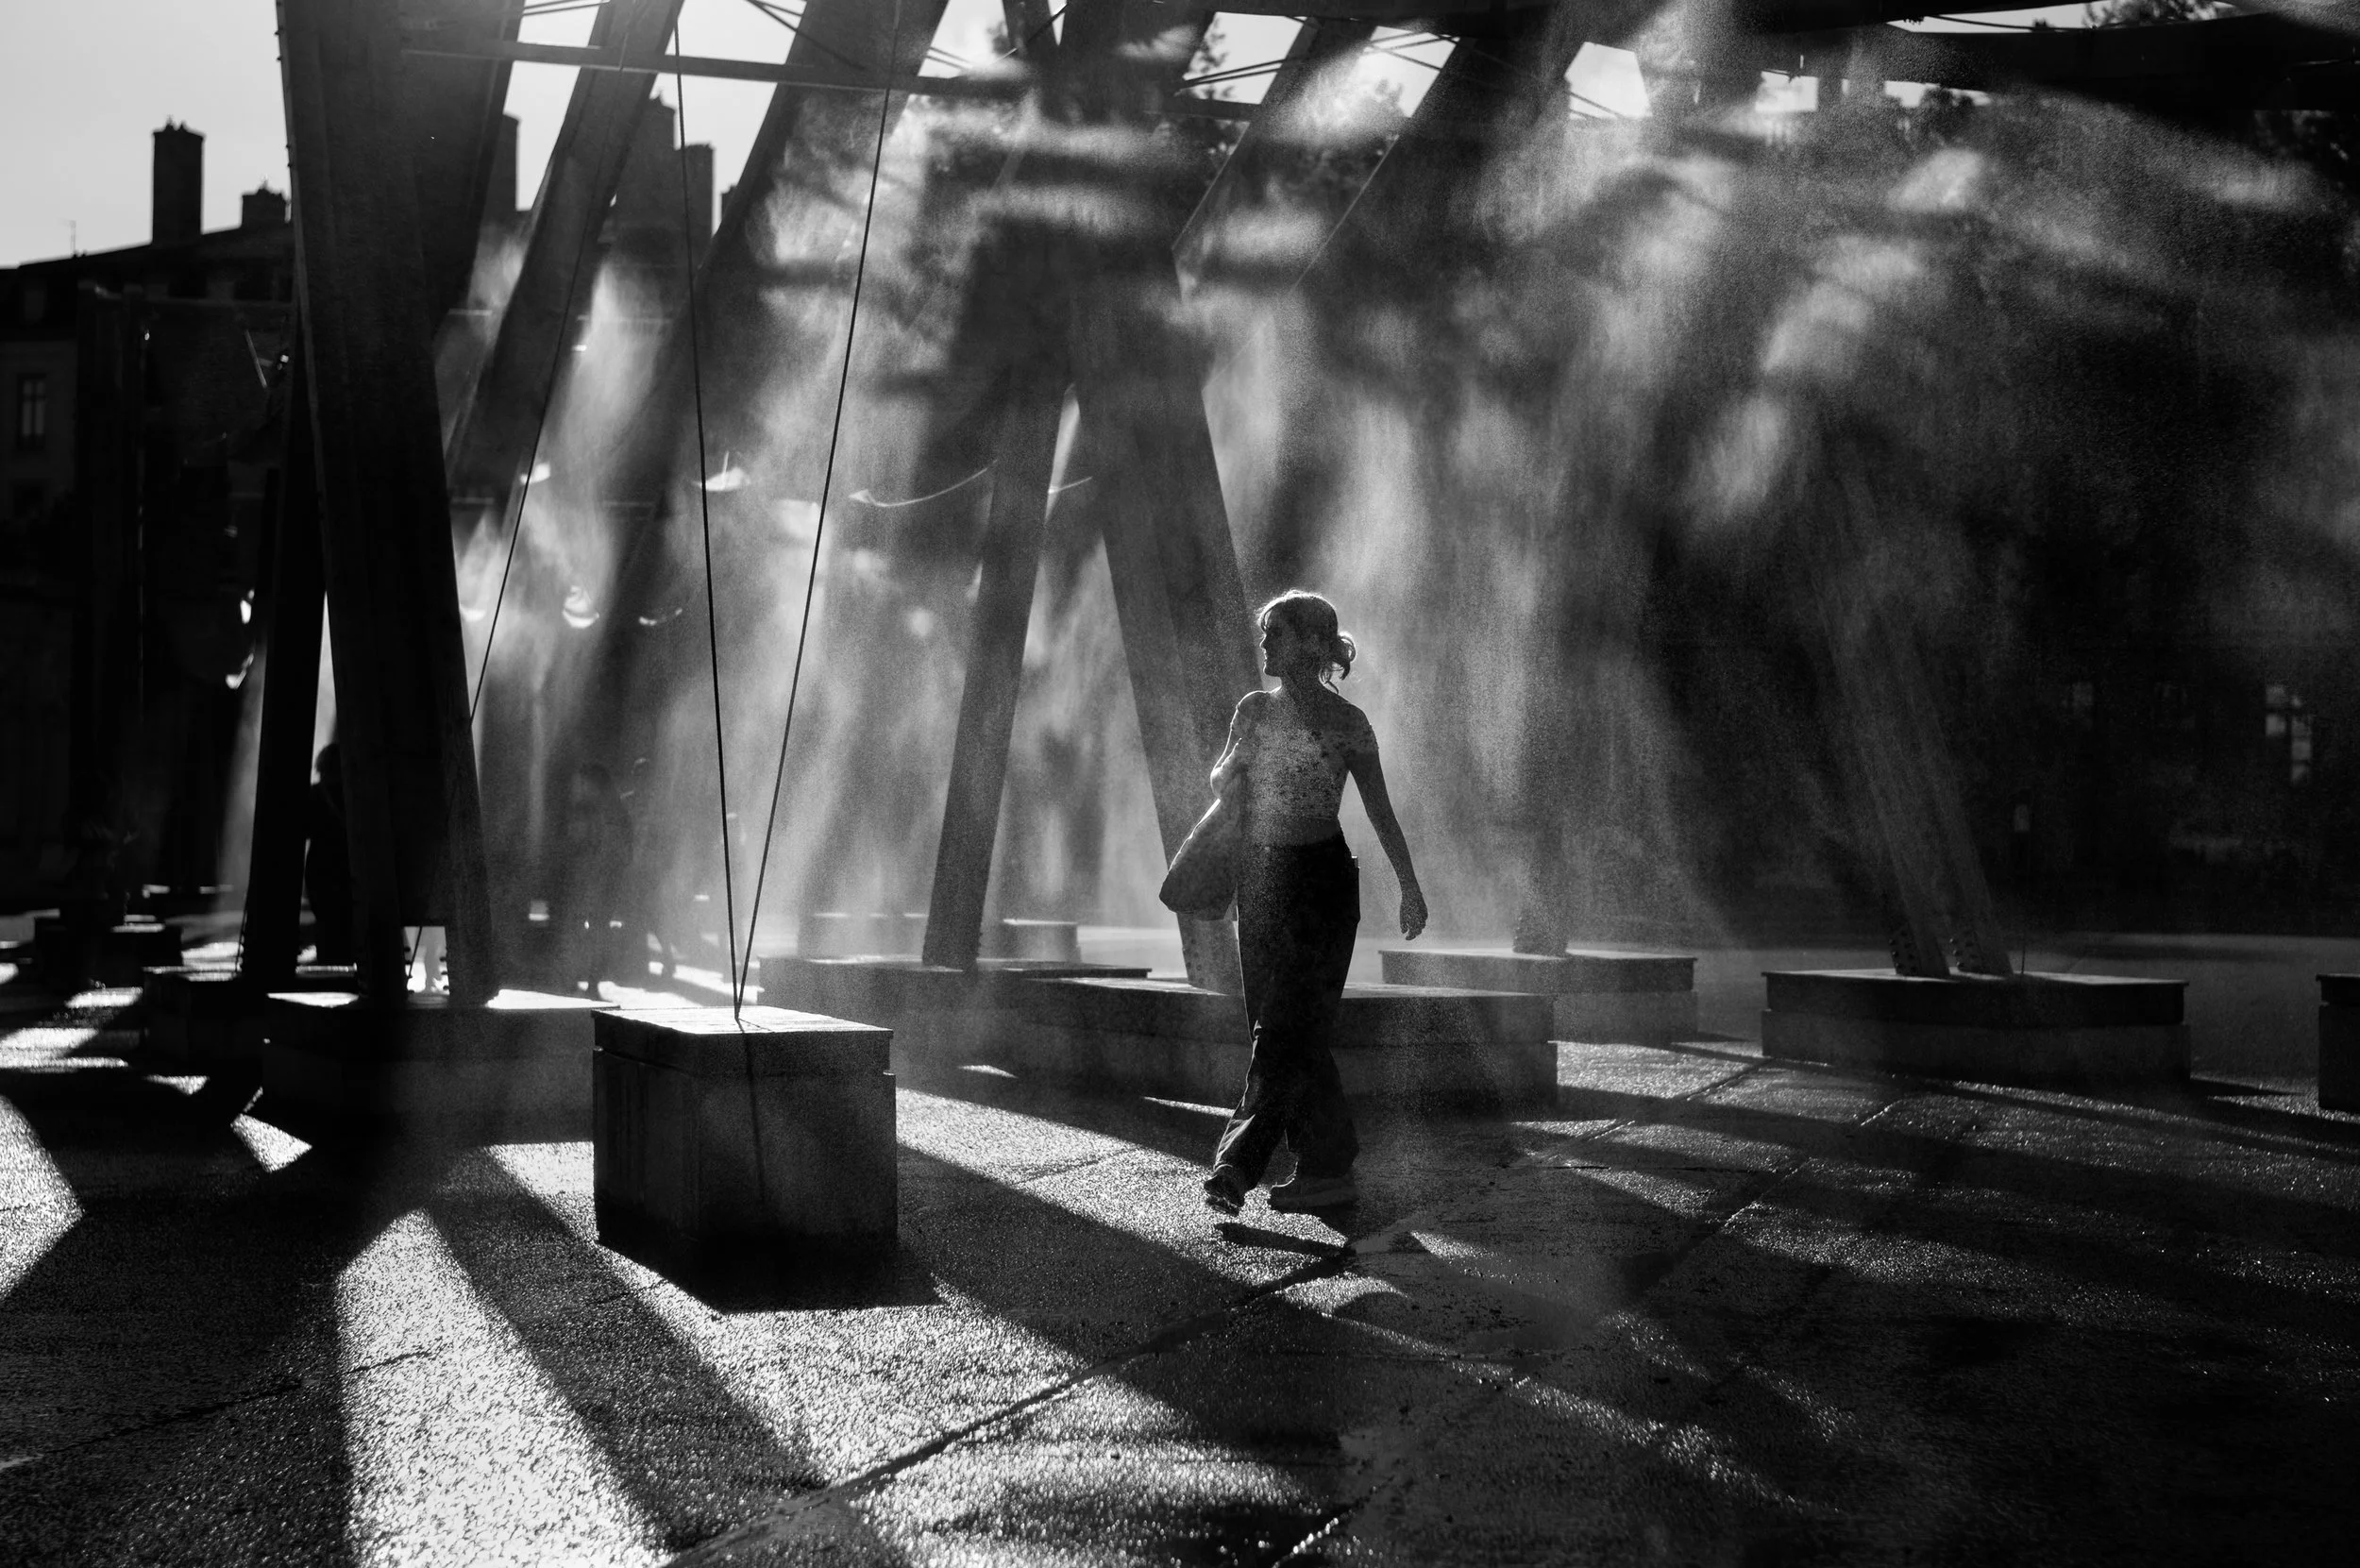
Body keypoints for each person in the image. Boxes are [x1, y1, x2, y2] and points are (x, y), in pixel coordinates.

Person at [1203, 590, 1426, 1217]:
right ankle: (1329, 1164)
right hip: (1263, 880)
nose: (1265, 644)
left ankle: (1235, 1166)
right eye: (1266, 633)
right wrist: (1238, 762)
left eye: (1276, 633)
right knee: (1287, 1030)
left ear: (1309, 642)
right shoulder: (1251, 712)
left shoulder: (1349, 723)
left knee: (1281, 1030)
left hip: (1322, 883)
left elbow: (1379, 808)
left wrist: (1409, 884)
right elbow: (1220, 781)